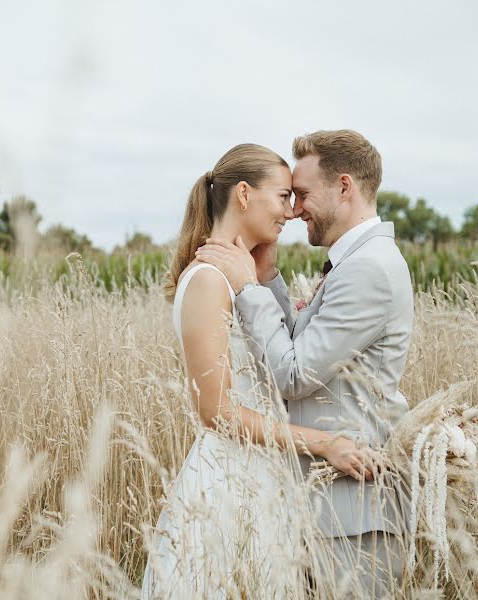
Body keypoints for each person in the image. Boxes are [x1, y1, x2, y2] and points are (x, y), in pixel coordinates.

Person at [141, 142, 380, 599]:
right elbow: (217, 412)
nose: (291, 213)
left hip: (263, 479)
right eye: (283, 196)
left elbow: (283, 359)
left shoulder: (240, 278)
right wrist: (326, 443)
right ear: (244, 195)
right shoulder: (209, 280)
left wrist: (264, 275)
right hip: (228, 486)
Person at [196, 130, 414, 598]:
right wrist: (267, 277)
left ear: (343, 187)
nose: (294, 210)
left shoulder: (369, 268)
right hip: (321, 508)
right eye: (289, 196)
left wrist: (249, 289)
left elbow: (294, 376)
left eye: (303, 194)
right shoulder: (351, 262)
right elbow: (300, 347)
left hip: (356, 516)